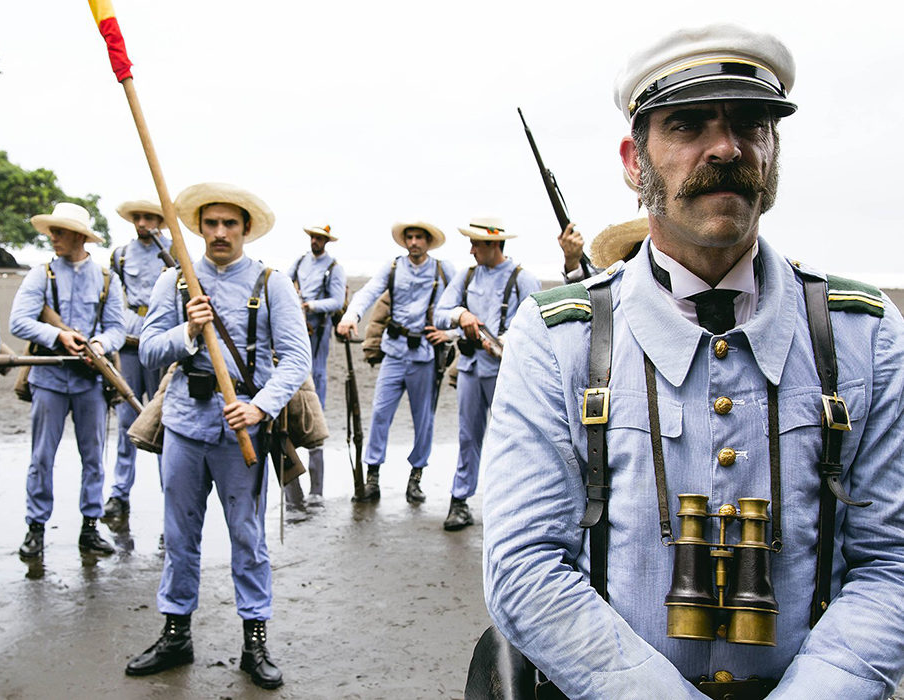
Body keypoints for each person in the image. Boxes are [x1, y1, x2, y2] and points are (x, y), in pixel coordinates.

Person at [482, 25, 904, 698]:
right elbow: (524, 566)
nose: (726, 148)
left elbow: (891, 563)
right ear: (633, 161)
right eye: (686, 125)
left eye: (751, 124)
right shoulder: (560, 337)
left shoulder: (864, 336)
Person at [126, 183, 310, 689]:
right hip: (185, 426)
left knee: (247, 540)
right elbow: (147, 351)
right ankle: (175, 633)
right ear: (198, 228)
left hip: (240, 434)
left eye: (231, 224)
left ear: (246, 229)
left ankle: (255, 640)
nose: (220, 233)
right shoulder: (176, 281)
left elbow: (297, 359)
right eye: (211, 224)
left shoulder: (271, 283)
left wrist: (258, 407)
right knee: (180, 537)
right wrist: (187, 331)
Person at [9, 202, 125, 559]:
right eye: (52, 231)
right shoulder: (40, 274)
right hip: (49, 379)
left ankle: (90, 526)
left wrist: (99, 344)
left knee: (94, 456)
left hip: (91, 381)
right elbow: (19, 322)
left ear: (79, 236)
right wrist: (57, 336)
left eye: (59, 232)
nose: (52, 237)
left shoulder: (107, 278)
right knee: (42, 456)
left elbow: (117, 329)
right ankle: (36, 527)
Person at [433, 217, 540, 531]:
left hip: (506, 374)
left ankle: (516, 508)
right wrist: (461, 314)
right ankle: (460, 500)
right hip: (469, 369)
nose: (471, 250)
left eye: (476, 243)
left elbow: (531, 327)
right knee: (468, 437)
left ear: (494, 244)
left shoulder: (524, 279)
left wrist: (501, 342)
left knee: (513, 439)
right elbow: (440, 314)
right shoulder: (466, 276)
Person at [336, 221, 454, 503]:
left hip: (424, 355)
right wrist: (351, 316)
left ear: (428, 241)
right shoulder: (392, 267)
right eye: (409, 237)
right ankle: (372, 476)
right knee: (379, 413)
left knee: (423, 419)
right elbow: (368, 291)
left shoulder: (442, 269)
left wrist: (450, 333)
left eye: (419, 238)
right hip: (393, 351)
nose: (414, 242)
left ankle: (416, 477)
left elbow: (466, 304)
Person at [103, 198, 173, 519]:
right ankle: (119, 494)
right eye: (138, 218)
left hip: (160, 344)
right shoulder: (120, 254)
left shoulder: (175, 251)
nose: (143, 223)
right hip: (129, 342)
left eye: (149, 217)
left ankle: (170, 492)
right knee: (127, 420)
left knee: (163, 420)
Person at [282, 224, 346, 509]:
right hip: (298, 329)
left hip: (318, 333)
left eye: (320, 238)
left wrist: (311, 306)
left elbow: (337, 301)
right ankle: (293, 489)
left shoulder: (334, 267)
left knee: (316, 392)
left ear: (326, 241)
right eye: (313, 237)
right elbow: (284, 284)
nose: (315, 241)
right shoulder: (298, 262)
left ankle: (317, 490)